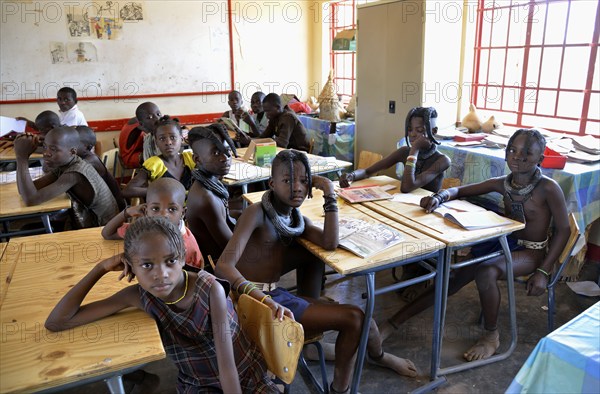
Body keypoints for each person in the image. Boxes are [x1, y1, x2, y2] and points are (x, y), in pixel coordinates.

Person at [215, 150, 417, 394]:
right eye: (288, 181)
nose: (297, 187)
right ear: (272, 183)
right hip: (254, 305)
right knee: (355, 318)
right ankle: (340, 390)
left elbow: (330, 242)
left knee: (311, 254)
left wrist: (330, 194)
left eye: (303, 180)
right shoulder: (256, 213)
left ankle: (325, 335)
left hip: (274, 297)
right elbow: (223, 266)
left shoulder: (295, 218)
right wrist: (263, 298)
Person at [380, 129, 570, 362]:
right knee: (451, 279)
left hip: (531, 252)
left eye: (527, 154)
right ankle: (392, 324)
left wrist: (543, 271)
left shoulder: (548, 188)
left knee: (486, 271)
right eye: (512, 150)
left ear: (540, 159)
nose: (517, 157)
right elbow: (460, 190)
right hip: (505, 243)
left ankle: (491, 336)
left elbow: (564, 230)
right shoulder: (504, 183)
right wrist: (439, 197)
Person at [46, 216, 277, 393]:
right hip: (198, 383)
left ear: (183, 257)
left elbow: (227, 368)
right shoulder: (138, 296)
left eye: (170, 261)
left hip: (244, 375)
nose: (161, 274)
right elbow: (58, 321)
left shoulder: (209, 289)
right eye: (147, 265)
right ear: (130, 266)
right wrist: (100, 268)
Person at [14, 126, 119, 228]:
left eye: (53, 149)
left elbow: (31, 199)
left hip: (102, 228)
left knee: (30, 230)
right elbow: (25, 191)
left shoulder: (75, 172)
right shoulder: (65, 165)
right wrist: (23, 154)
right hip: (88, 220)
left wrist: (21, 157)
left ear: (72, 152)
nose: (46, 153)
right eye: (45, 146)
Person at [340, 107, 450, 193]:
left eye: (419, 130)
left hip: (427, 212)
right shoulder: (404, 152)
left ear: (434, 131)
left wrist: (414, 150)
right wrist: (351, 175)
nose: (412, 134)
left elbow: (407, 187)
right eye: (409, 129)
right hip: (404, 206)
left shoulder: (442, 161)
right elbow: (367, 171)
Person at [102, 177, 203, 270]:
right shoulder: (142, 229)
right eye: (155, 208)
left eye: (172, 209)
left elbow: (190, 278)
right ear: (146, 211)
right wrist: (127, 212)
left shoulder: (185, 245)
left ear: (183, 213)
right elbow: (108, 234)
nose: (164, 215)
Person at [186, 124, 238, 265]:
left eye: (227, 150)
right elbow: (232, 249)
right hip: (219, 266)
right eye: (215, 153)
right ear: (197, 159)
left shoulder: (208, 183)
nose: (225, 158)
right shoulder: (206, 198)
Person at [123, 116, 195, 200]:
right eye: (162, 138)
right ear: (156, 142)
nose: (168, 142)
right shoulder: (155, 164)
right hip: (168, 210)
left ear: (181, 139)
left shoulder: (190, 158)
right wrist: (161, 191)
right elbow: (127, 190)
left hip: (194, 208)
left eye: (173, 137)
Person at [75, 126, 126, 211]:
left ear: (87, 147)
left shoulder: (90, 160)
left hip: (113, 208)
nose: (68, 145)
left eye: (74, 142)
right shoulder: (84, 158)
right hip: (105, 204)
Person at [118, 102, 162, 168]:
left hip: (141, 150)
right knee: (160, 154)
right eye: (150, 117)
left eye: (158, 114)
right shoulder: (137, 126)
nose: (157, 118)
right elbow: (155, 134)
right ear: (141, 123)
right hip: (130, 157)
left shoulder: (143, 120)